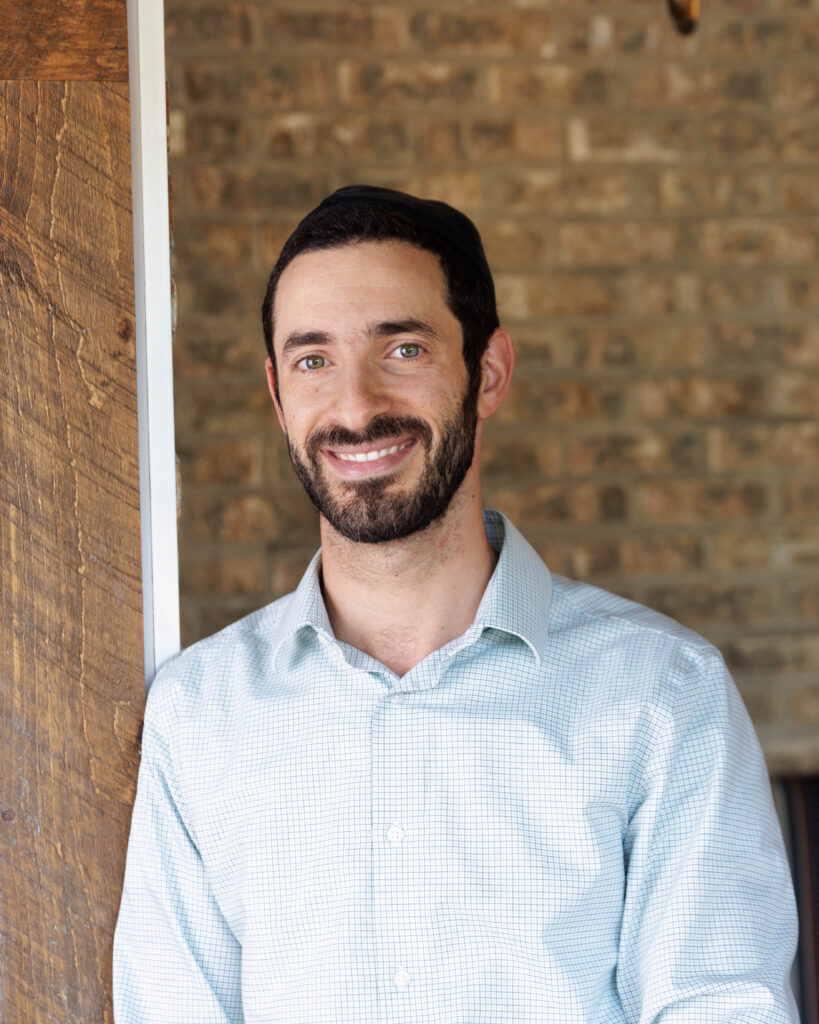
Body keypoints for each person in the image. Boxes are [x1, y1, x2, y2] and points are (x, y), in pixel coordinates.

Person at [114, 185, 799, 1023]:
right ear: (276, 393)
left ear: (489, 372)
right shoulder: (199, 716)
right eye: (313, 359)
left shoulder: (662, 694)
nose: (356, 406)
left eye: (402, 349)